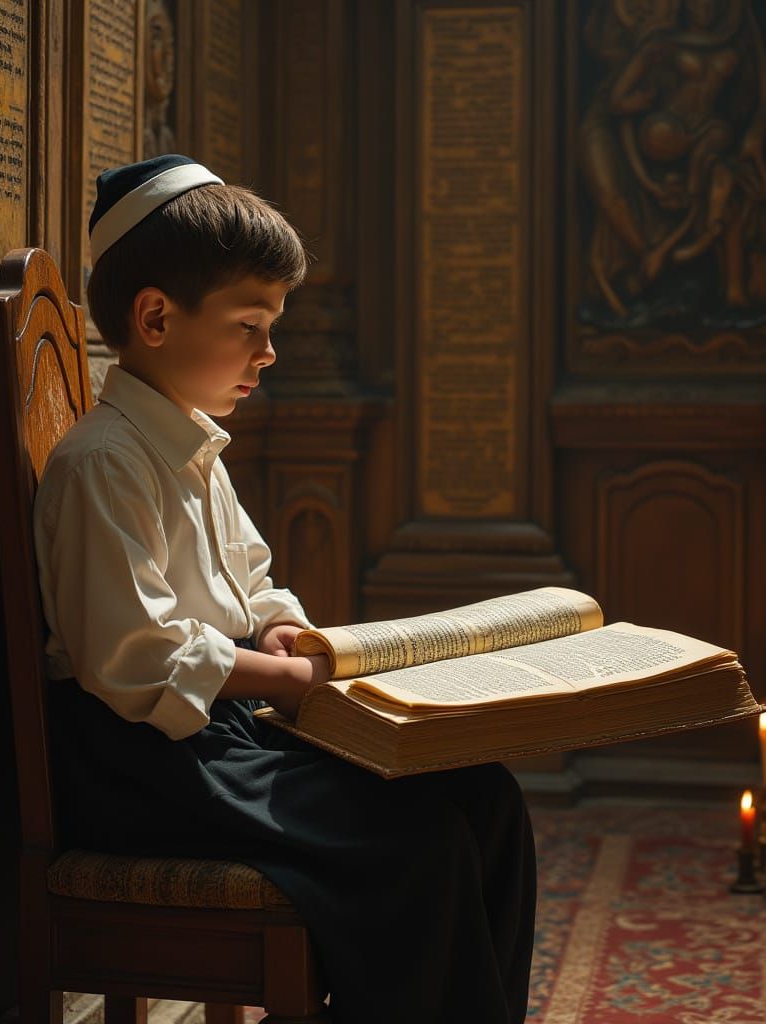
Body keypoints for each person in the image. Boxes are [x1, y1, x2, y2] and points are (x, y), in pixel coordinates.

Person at [34, 153, 536, 1024]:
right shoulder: (102, 462)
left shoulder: (189, 444)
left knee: (484, 796)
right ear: (156, 317)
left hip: (219, 736)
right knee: (417, 848)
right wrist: (294, 680)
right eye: (250, 325)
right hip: (142, 763)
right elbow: (135, 655)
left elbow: (253, 578)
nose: (269, 353)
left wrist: (282, 632)